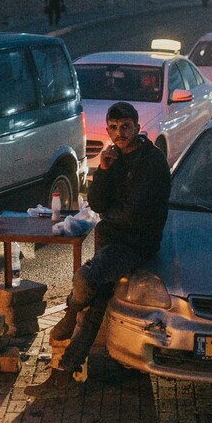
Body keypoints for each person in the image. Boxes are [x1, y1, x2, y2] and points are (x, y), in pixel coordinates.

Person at [27, 101, 172, 397]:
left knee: (85, 280)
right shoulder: (113, 158)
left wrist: (109, 215)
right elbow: (96, 204)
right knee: (94, 306)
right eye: (114, 128)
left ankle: (70, 311)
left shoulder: (153, 162)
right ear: (108, 129)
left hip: (136, 243)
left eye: (126, 127)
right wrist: (103, 170)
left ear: (137, 126)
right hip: (111, 240)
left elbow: (133, 213)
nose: (120, 134)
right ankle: (63, 376)